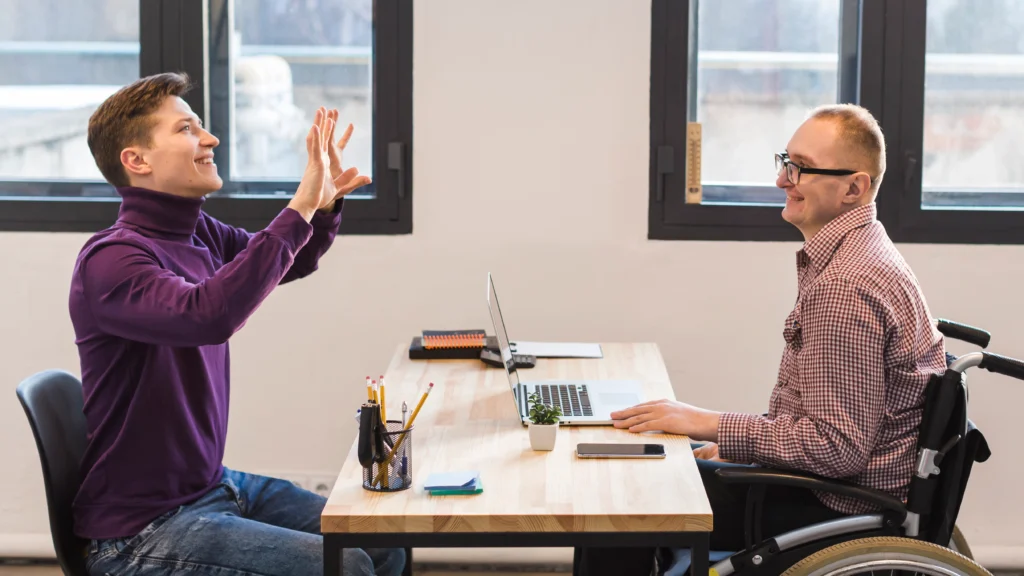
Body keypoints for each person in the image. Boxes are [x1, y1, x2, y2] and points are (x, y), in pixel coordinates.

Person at [573, 104, 946, 575]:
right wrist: (736, 443)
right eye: (785, 163)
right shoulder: (858, 254)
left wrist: (709, 423)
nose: (781, 181)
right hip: (825, 485)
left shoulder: (846, 287)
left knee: (624, 494)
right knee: (639, 459)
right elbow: (822, 422)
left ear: (855, 187)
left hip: (833, 505)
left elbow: (836, 447)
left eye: (800, 169)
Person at [69, 72, 405, 576]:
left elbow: (283, 261)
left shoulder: (196, 229)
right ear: (137, 160)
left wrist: (326, 202)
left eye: (200, 127)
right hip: (140, 532)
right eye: (185, 130)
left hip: (212, 486)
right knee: (347, 565)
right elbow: (210, 314)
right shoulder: (114, 260)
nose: (210, 139)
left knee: (382, 540)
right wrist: (299, 206)